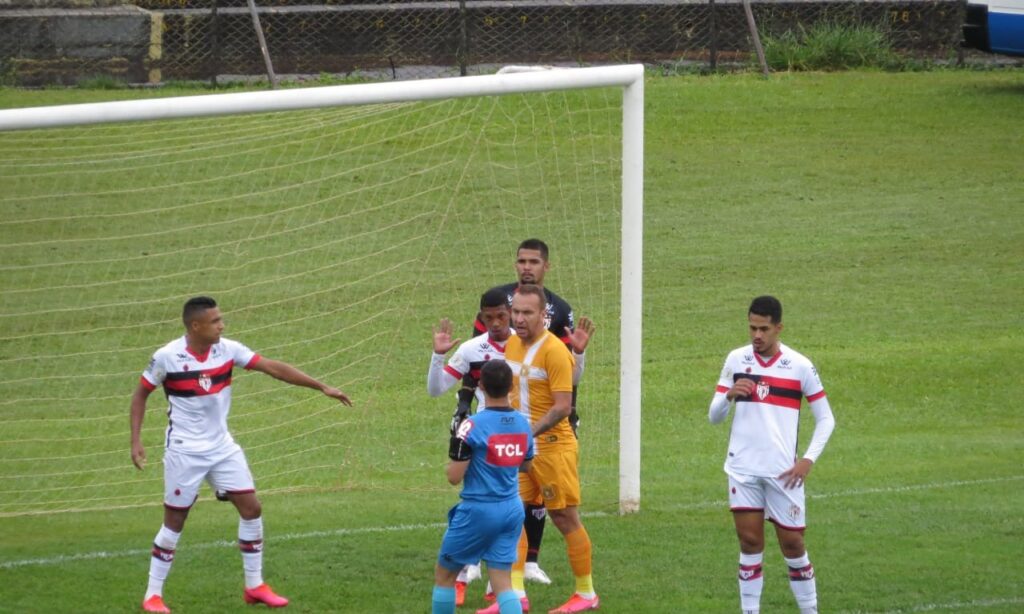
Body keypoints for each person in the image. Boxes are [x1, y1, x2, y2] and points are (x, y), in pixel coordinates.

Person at [130, 296, 353, 613]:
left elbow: (273, 368)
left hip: (222, 447)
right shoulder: (167, 357)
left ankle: (255, 586)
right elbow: (140, 394)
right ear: (196, 325)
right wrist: (136, 441)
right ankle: (153, 595)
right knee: (175, 522)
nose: (222, 325)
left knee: (251, 508)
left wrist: (322, 387)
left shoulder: (228, 349)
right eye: (216, 321)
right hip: (185, 452)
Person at [471, 239, 592, 587]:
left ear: (543, 316)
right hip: (523, 446)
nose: (519, 319)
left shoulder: (554, 350)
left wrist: (526, 433)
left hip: (552, 444)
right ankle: (515, 595)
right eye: (516, 313)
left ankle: (586, 592)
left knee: (564, 517)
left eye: (526, 314)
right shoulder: (510, 343)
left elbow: (563, 405)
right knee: (512, 517)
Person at [708, 295, 836, 614]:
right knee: (750, 545)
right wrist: (728, 397)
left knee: (793, 546)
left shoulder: (800, 366)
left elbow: (826, 418)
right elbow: (714, 416)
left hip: (783, 473)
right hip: (743, 469)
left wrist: (807, 460)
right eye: (752, 328)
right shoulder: (736, 360)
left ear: (778, 327)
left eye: (764, 329)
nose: (757, 336)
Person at [431, 359, 535, 614]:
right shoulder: (524, 424)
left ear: (480, 386)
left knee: (445, 576)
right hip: (512, 508)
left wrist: (454, 445)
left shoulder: (471, 426)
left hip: (479, 511)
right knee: (502, 581)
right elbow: (526, 466)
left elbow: (454, 477)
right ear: (511, 386)